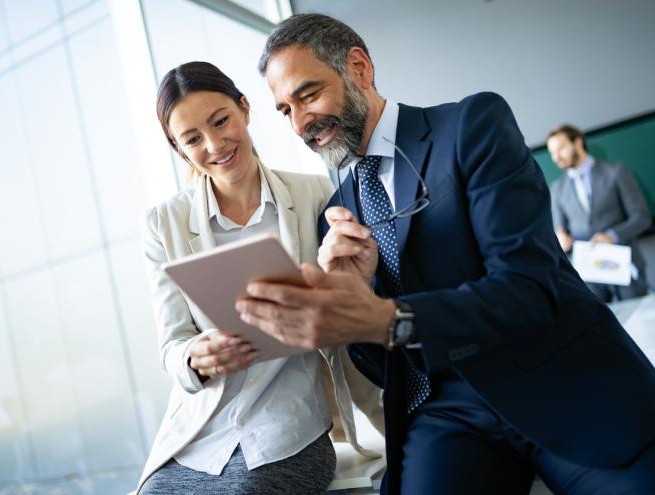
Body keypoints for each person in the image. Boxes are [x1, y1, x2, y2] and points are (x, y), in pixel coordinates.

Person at [233, 13, 655, 495]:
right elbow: (381, 364)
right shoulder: (337, 210)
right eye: (286, 110)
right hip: (447, 413)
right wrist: (352, 300)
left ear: (359, 67)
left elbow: (530, 289)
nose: (301, 122)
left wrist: (386, 317)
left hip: (560, 382)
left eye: (308, 94)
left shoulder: (472, 126)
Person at [135, 61, 383, 495]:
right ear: (179, 149)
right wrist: (196, 356)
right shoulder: (164, 225)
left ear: (245, 109)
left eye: (221, 121)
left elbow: (357, 300)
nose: (214, 145)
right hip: (201, 436)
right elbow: (172, 346)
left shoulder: (315, 195)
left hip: (288, 429)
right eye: (193, 139)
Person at [546, 124, 651, 302]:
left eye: (561, 149)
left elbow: (642, 217)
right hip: (589, 276)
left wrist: (612, 236)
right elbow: (559, 230)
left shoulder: (616, 172)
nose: (556, 158)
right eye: (552, 153)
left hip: (625, 267)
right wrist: (561, 238)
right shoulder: (557, 189)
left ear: (577, 142)